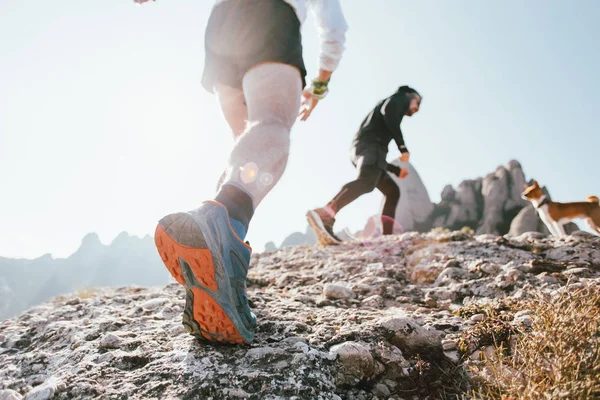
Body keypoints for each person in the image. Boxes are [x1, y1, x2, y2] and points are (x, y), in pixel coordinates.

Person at [134, 0, 348, 344]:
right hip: (270, 15)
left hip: (222, 25)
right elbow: (332, 23)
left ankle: (222, 268)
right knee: (272, 123)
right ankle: (221, 223)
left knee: (243, 151)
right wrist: (321, 81)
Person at [307, 86, 422, 246]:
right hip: (371, 146)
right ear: (410, 95)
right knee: (367, 182)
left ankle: (386, 237)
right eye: (418, 102)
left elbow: (377, 162)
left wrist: (395, 170)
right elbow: (389, 113)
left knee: (392, 191)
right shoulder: (400, 98)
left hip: (367, 149)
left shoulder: (389, 108)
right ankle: (325, 214)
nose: (417, 108)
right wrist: (402, 147)